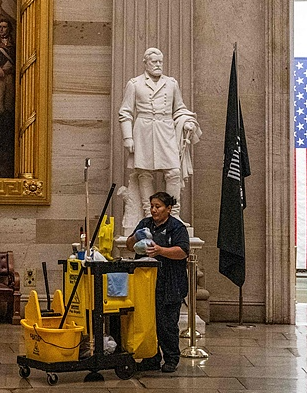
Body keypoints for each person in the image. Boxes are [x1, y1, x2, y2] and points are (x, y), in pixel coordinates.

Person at [118, 47, 201, 222]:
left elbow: (178, 108)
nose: (158, 65)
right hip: (143, 131)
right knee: (144, 173)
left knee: (173, 172)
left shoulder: (171, 84)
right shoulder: (135, 84)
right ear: (145, 63)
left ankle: (173, 215)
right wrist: (128, 137)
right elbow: (125, 112)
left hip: (166, 131)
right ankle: (149, 214)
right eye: (154, 62)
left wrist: (186, 121)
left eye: (160, 62)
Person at [125, 191, 190, 374]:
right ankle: (150, 357)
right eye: (152, 206)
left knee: (167, 323)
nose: (154, 210)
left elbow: (183, 251)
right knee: (148, 321)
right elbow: (130, 245)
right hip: (145, 282)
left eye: (158, 206)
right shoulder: (145, 224)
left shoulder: (177, 228)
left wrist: (161, 250)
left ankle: (171, 358)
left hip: (170, 282)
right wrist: (134, 238)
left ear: (168, 209)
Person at [0, 19, 15, 117]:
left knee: (9, 104)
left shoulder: (14, 44)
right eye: (0, 27)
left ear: (9, 29)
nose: (1, 29)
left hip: (10, 76)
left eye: (4, 27)